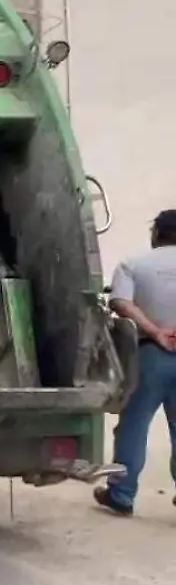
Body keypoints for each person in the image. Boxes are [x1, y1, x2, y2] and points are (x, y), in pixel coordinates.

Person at [94, 209, 176, 516]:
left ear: (156, 234)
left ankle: (122, 494)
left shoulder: (134, 264)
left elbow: (120, 302)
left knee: (134, 426)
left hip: (149, 357)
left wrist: (155, 331)